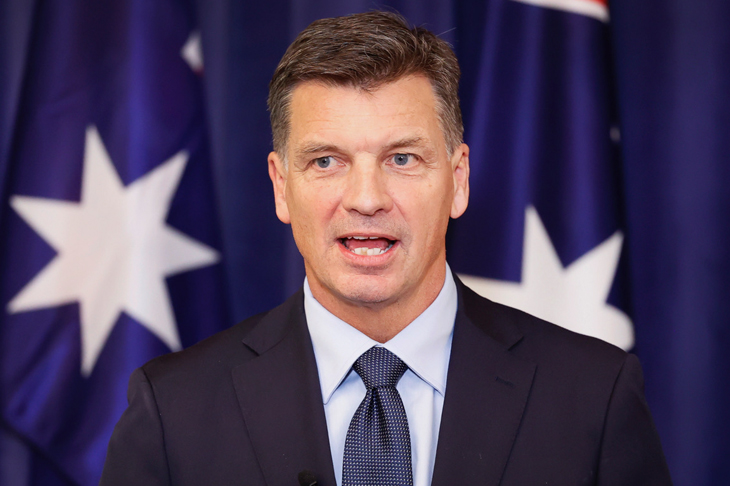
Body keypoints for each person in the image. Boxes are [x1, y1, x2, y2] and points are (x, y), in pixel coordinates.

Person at [100, 11, 672, 486]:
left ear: (458, 179)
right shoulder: (172, 412)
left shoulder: (593, 398)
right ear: (281, 186)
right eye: (326, 161)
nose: (366, 199)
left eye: (402, 158)